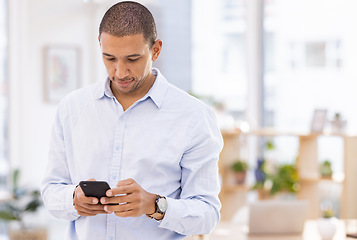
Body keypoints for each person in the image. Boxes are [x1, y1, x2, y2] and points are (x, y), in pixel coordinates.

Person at [41, 1, 223, 239]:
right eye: (110, 58)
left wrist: (154, 205)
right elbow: (50, 190)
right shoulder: (72, 108)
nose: (120, 72)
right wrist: (73, 199)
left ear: (156, 50)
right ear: (100, 45)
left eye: (133, 59)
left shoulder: (194, 116)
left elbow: (208, 215)